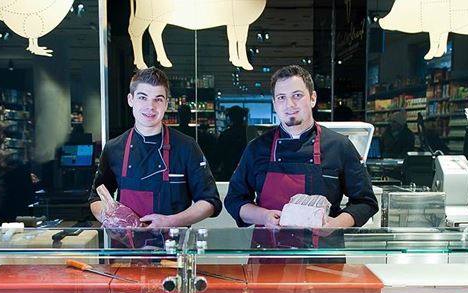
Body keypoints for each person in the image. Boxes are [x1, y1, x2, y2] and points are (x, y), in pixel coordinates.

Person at [224, 65, 378, 233]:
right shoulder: (257, 148)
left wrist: (336, 224)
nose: (289, 104)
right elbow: (234, 200)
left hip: (323, 254)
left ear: (312, 98)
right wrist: (264, 216)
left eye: (297, 95)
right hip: (269, 253)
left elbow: (365, 202)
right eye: (281, 97)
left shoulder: (340, 146)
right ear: (275, 104)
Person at [88, 67, 222, 228]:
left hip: (173, 245)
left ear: (166, 103)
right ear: (131, 100)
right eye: (142, 97)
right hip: (127, 247)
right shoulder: (113, 148)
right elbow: (96, 197)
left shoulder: (186, 146)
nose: (150, 106)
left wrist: (170, 221)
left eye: (158, 99)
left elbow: (210, 201)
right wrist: (109, 218)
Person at [216, 105, 249, 181]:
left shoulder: (225, 135)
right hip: (246, 171)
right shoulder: (248, 133)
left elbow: (218, 155)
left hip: (228, 171)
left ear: (230, 118)